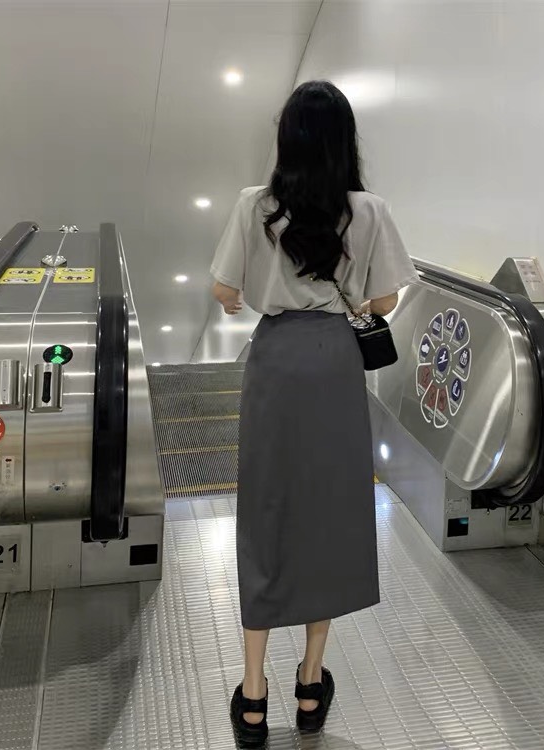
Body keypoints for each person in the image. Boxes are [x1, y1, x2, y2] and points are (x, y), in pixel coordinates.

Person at [210, 80, 417, 748]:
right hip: (334, 363)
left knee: (266, 510)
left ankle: (252, 693)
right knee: (328, 512)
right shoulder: (368, 210)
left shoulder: (254, 205)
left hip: (275, 361)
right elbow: (384, 302)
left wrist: (248, 293)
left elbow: (224, 289)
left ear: (287, 138)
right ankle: (309, 681)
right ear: (344, 141)